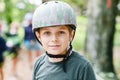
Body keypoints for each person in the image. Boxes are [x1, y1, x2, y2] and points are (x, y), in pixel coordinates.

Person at [32, 1, 96, 80]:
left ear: (71, 35)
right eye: (47, 33)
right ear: (39, 37)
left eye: (61, 32)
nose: (54, 39)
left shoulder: (82, 67)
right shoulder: (38, 63)